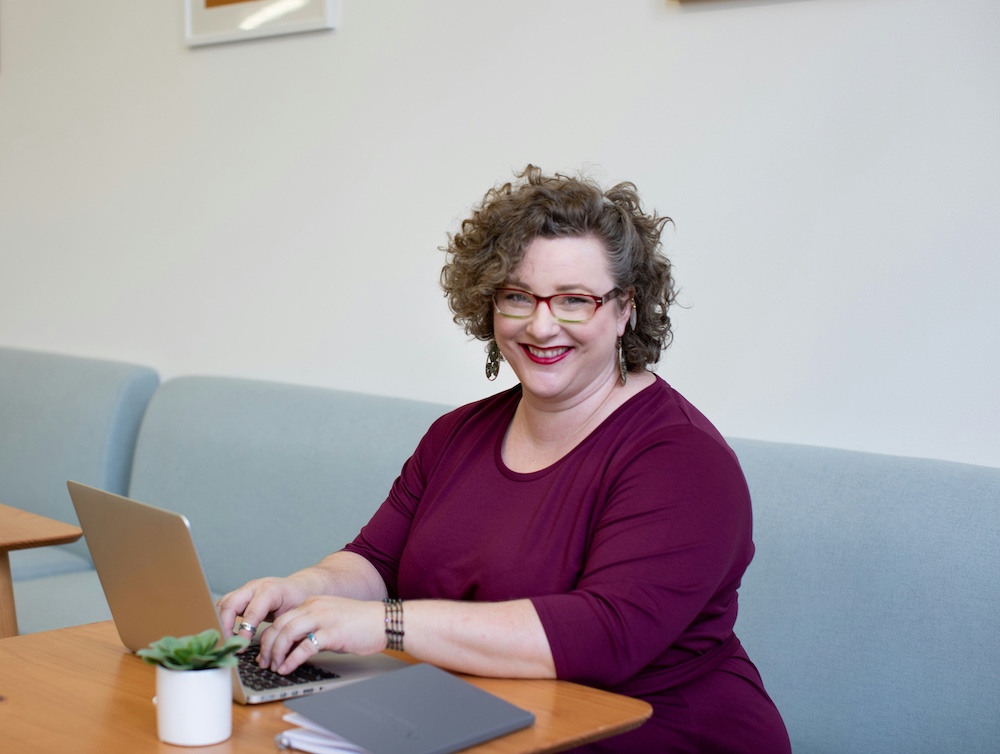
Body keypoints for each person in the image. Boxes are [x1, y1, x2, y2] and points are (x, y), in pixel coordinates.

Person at [218, 165, 791, 753]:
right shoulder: (456, 435)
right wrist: (303, 590)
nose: (542, 325)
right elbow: (375, 561)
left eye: (574, 301)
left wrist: (382, 627)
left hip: (647, 735)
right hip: (482, 723)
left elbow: (604, 637)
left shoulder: (682, 460)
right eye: (518, 296)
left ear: (624, 310)